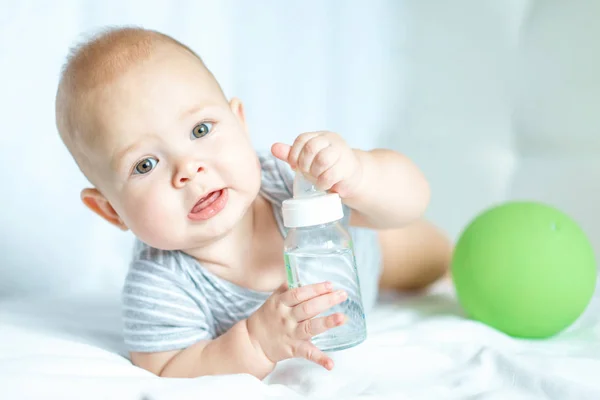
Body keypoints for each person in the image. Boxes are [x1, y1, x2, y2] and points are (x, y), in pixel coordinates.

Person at [55, 27, 452, 379]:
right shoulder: (161, 285)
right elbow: (167, 367)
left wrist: (361, 173)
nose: (189, 169)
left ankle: (452, 257)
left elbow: (414, 197)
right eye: (145, 164)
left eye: (200, 129)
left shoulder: (288, 179)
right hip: (329, 307)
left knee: (429, 253)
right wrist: (255, 342)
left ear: (239, 122)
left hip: (365, 255)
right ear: (110, 210)